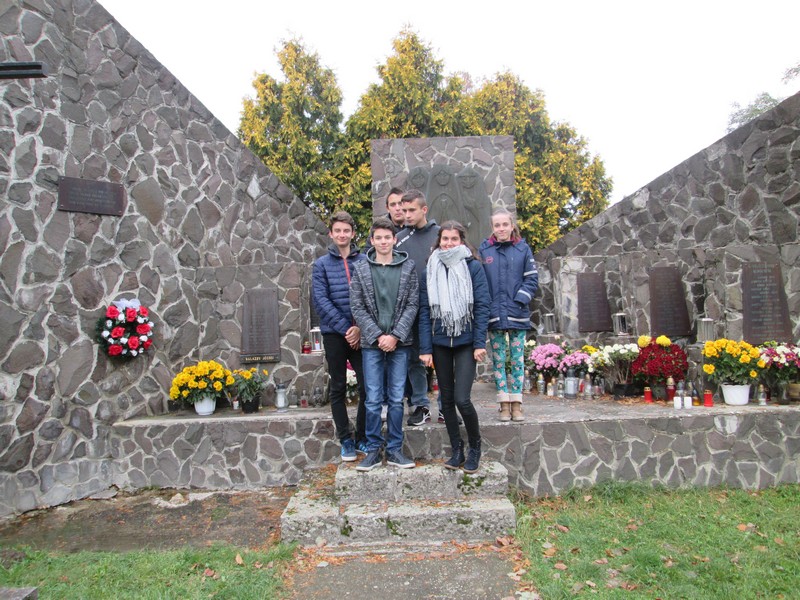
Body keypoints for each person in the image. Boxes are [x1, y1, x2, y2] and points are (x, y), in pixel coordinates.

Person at [418, 221, 489, 473]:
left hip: (466, 342)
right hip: (439, 342)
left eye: (454, 239)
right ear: (439, 240)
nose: (448, 243)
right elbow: (425, 312)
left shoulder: (473, 267)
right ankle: (457, 449)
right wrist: (425, 348)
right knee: (445, 400)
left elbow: (482, 306)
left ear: (462, 241)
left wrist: (479, 343)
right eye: (445, 239)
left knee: (462, 399)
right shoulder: (430, 269)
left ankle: (475, 447)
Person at [350, 217, 419, 471]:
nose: (382, 242)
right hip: (372, 344)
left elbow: (413, 304)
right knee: (372, 399)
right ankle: (373, 450)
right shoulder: (361, 268)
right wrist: (379, 336)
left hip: (400, 343)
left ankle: (395, 450)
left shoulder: (408, 267)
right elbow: (357, 306)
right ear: (372, 240)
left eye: (387, 237)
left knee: (397, 398)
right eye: (378, 237)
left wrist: (395, 335)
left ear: (394, 239)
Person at [312, 211, 368, 461]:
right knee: (338, 387)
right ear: (331, 234)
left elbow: (370, 296)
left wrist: (359, 327)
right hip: (335, 334)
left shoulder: (365, 261)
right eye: (338, 231)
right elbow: (320, 300)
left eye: (346, 230)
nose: (342, 235)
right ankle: (345, 439)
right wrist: (347, 328)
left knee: (368, 386)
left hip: (362, 333)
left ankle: (362, 436)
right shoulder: (321, 265)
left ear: (353, 233)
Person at [479, 208, 538, 422]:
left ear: (512, 225)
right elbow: (481, 281)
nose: (501, 228)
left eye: (505, 224)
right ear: (492, 227)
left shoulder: (523, 249)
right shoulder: (485, 250)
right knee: (499, 360)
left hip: (517, 313)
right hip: (494, 314)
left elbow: (531, 278)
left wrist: (519, 299)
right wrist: (486, 305)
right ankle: (503, 403)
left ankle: (517, 404)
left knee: (517, 360)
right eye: (497, 225)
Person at [394, 189, 440, 426]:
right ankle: (421, 405)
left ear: (424, 209)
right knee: (414, 360)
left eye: (412, 210)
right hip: (411, 310)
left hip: (439, 309)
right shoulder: (399, 238)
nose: (407, 215)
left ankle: (446, 406)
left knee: (443, 359)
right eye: (404, 210)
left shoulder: (441, 235)